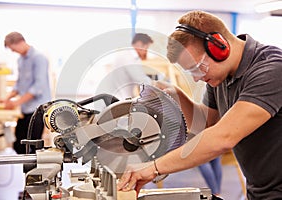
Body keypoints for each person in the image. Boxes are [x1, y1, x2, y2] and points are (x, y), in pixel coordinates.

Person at [117, 10, 282, 200]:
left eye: (197, 68)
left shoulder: (271, 69)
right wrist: (175, 95)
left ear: (219, 46)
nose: (197, 79)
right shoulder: (220, 77)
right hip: (259, 190)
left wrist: (152, 168)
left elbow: (223, 136)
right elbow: (206, 124)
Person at [0, 32, 52, 154]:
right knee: (19, 145)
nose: (13, 52)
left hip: (37, 109)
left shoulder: (39, 58)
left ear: (20, 42)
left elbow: (38, 87)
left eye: (13, 49)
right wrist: (7, 98)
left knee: (33, 147)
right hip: (25, 109)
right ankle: (26, 171)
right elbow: (20, 84)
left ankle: (34, 172)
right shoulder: (21, 61)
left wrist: (15, 103)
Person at [97, 33, 153, 100]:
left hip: (118, 96)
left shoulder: (128, 54)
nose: (146, 51)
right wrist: (156, 84)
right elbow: (140, 79)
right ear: (139, 44)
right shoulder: (128, 57)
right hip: (118, 98)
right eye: (146, 48)